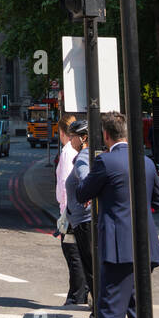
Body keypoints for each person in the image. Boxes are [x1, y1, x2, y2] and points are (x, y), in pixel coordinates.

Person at [75, 110, 159, 318]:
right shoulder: (147, 162)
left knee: (110, 311)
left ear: (106, 135)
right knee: (138, 309)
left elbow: (82, 193)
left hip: (118, 249)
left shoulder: (105, 162)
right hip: (145, 247)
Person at [55, 111, 88, 306]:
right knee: (78, 255)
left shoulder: (68, 152)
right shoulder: (76, 151)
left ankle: (76, 297)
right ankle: (78, 294)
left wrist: (65, 216)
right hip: (74, 212)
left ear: (62, 132)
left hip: (70, 213)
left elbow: (67, 185)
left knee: (73, 254)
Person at [66, 120, 93, 305]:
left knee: (90, 269)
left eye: (73, 136)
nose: (70, 139)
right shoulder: (87, 155)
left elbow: (86, 181)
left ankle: (97, 313)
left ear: (83, 138)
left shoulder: (83, 157)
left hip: (85, 223)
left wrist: (86, 198)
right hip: (82, 221)